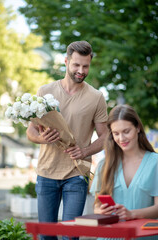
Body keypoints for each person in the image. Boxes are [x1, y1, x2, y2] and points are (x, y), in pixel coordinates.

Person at [26, 40, 108, 240]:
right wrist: (42, 138)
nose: (81, 70)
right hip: (46, 173)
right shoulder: (45, 92)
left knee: (70, 236)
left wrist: (85, 151)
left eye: (85, 66)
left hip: (77, 173)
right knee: (46, 236)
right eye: (76, 65)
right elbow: (30, 132)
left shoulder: (96, 97)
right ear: (66, 62)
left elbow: (105, 136)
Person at [91, 104, 158, 240]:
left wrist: (132, 214)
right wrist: (101, 211)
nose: (121, 139)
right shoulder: (104, 165)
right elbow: (96, 207)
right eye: (116, 133)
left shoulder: (155, 163)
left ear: (138, 128)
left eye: (126, 131)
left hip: (143, 236)